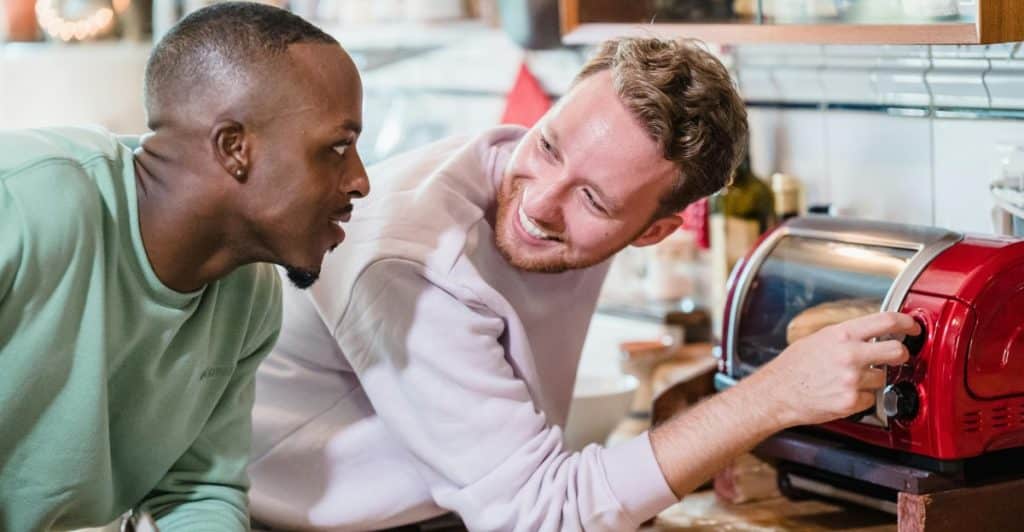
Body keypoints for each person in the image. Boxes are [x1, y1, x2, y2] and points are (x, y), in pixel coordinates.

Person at [248, 38, 918, 531]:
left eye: (595, 202)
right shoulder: (411, 266)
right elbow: (539, 516)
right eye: (546, 147)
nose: (540, 202)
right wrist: (766, 399)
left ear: (655, 232)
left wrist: (698, 418)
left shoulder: (555, 204)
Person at [0, 3, 368, 530]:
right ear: (234, 147)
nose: (359, 180)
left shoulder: (249, 294)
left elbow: (196, 491)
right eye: (337, 146)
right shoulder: (26, 203)